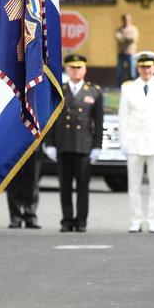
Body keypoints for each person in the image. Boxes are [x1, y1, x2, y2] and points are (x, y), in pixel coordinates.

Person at [45, 54, 104, 232]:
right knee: (65, 187)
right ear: (67, 69)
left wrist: (97, 146)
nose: (76, 71)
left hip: (83, 146)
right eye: (72, 67)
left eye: (79, 67)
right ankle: (67, 220)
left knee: (83, 188)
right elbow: (51, 119)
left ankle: (81, 221)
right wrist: (49, 143)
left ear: (85, 69)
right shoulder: (59, 89)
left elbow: (99, 122)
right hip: (63, 145)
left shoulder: (94, 91)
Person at [118, 52, 154, 233]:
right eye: (142, 67)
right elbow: (123, 117)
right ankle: (135, 220)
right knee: (133, 185)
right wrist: (123, 142)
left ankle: (153, 220)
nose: (146, 70)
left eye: (149, 66)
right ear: (137, 68)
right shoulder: (128, 87)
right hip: (134, 142)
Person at [114, 13, 139, 85]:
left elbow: (133, 39)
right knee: (120, 73)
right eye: (125, 19)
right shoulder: (119, 30)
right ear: (122, 20)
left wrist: (124, 39)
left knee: (132, 72)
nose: (126, 21)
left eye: (128, 19)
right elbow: (118, 39)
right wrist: (127, 39)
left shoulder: (134, 29)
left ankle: (133, 86)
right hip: (121, 53)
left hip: (131, 53)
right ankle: (119, 87)